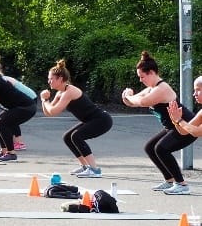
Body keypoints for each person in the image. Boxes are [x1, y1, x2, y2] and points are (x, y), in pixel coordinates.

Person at [122, 50, 195, 195]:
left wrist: (129, 96)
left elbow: (142, 102)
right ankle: (169, 180)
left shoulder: (162, 89)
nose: (140, 80)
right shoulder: (151, 88)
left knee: (161, 149)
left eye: (142, 77)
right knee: (150, 147)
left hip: (185, 126)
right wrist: (126, 96)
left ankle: (181, 184)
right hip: (172, 126)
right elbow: (132, 103)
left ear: (151, 73)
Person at [39, 59, 113, 178]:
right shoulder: (60, 93)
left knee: (76, 136)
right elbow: (49, 113)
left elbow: (53, 110)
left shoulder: (70, 91)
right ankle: (85, 166)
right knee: (67, 137)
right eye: (49, 79)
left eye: (51, 79)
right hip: (90, 120)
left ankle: (95, 170)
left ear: (60, 79)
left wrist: (44, 100)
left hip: (102, 120)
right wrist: (44, 101)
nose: (49, 81)